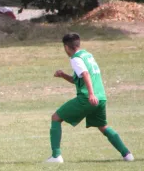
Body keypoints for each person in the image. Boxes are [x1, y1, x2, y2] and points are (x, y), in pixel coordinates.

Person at [46, 33, 134, 163]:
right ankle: (127, 154)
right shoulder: (87, 55)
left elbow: (85, 74)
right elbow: (80, 79)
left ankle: (56, 156)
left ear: (66, 47)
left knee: (56, 117)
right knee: (103, 126)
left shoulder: (75, 59)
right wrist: (63, 75)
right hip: (101, 97)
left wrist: (91, 94)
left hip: (88, 97)